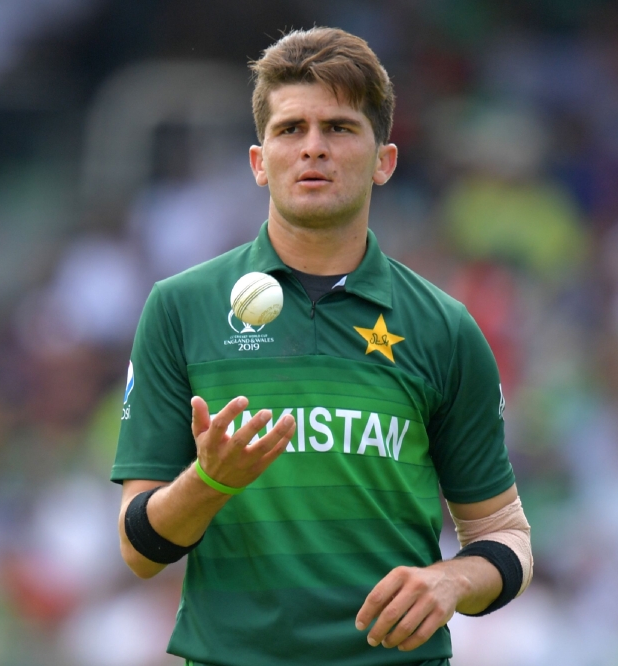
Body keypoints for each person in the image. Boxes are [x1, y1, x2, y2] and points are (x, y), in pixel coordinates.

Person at [112, 27, 533, 666]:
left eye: (339, 128)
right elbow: (140, 549)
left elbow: (506, 537)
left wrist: (451, 580)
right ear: (259, 162)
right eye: (290, 129)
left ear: (384, 160)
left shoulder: (445, 329)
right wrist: (208, 482)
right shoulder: (181, 307)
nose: (313, 148)